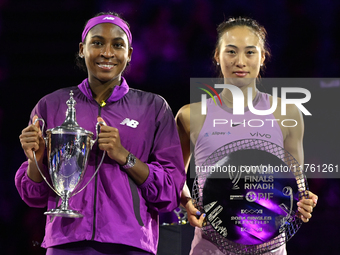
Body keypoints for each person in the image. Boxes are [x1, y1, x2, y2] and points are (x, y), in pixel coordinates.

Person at [15, 11, 186, 255]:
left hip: (129, 245)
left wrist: (123, 156)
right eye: (97, 43)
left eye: (117, 45)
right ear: (82, 49)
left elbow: (170, 192)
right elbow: (34, 196)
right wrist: (36, 159)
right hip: (66, 242)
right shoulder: (51, 105)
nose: (107, 53)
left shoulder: (154, 108)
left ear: (129, 54)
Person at [176, 17, 318, 255]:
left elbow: (295, 183)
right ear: (217, 56)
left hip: (269, 248)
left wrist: (304, 201)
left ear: (262, 57)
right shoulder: (190, 115)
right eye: (231, 51)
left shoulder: (287, 113)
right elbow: (174, 176)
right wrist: (186, 202)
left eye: (250, 52)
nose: (240, 61)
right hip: (209, 247)